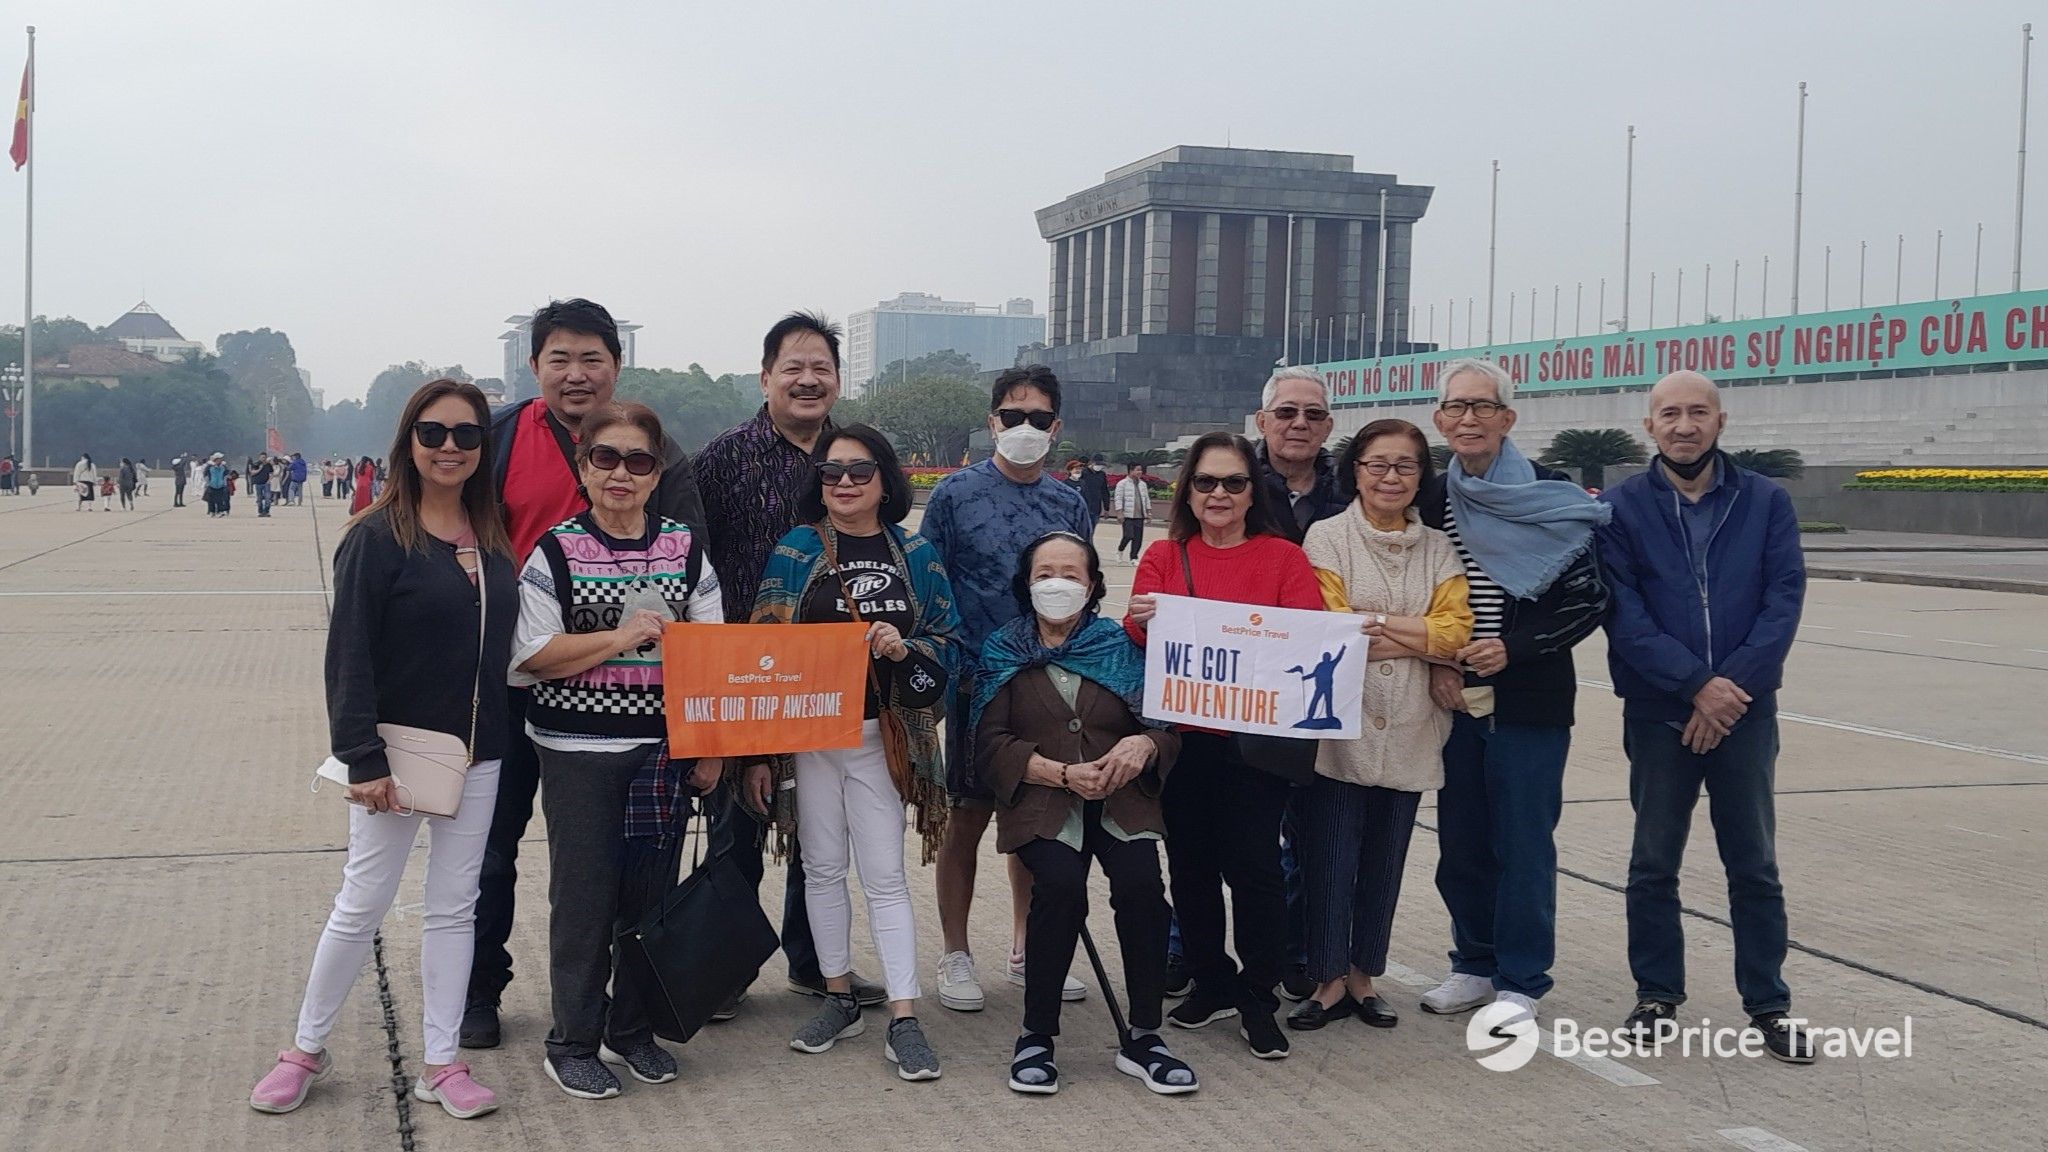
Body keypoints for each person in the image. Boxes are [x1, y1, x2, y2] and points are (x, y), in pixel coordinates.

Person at [249, 378, 516, 1121]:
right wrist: (362, 758)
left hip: (480, 752)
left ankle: (442, 1061)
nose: (450, 447)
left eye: (467, 434)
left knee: (454, 908)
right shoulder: (377, 537)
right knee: (362, 902)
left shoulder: (491, 534)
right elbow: (349, 656)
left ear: (483, 446)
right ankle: (305, 1048)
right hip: (396, 754)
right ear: (408, 443)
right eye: (433, 433)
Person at [462, 298, 707, 1051]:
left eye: (592, 358)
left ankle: (630, 1016)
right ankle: (479, 990)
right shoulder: (497, 440)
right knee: (492, 846)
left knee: (632, 873)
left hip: (630, 708)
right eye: (559, 359)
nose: (576, 373)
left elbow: (692, 569)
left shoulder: (658, 450)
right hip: (506, 681)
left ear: (616, 366)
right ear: (533, 365)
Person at [508, 401, 723, 1098]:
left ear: (657, 473)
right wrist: (622, 638)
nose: (621, 473)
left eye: (638, 460)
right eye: (606, 458)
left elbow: (711, 655)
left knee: (649, 899)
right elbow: (532, 654)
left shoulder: (685, 550)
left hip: (662, 752)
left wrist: (711, 750)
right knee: (584, 899)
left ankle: (631, 1031)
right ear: (584, 468)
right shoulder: (555, 551)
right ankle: (572, 1039)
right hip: (577, 750)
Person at [1596, 371, 1813, 1063]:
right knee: (1653, 861)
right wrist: (1695, 687)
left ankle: (1769, 1003)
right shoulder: (1621, 508)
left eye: (1697, 412)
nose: (1684, 425)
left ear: (1721, 421)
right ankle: (1657, 993)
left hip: (1745, 711)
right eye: (1669, 414)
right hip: (1659, 710)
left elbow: (1783, 599)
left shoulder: (1765, 501)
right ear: (1648, 426)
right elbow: (1623, 613)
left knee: (1753, 864)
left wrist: (1727, 693)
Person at [750, 423, 959, 1082]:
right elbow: (761, 642)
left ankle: (904, 1014)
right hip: (809, 738)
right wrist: (757, 751)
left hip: (881, 738)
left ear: (885, 480)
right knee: (820, 868)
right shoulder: (795, 550)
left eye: (859, 471)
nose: (844, 482)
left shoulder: (916, 553)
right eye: (831, 472)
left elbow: (948, 638)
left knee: (885, 875)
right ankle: (838, 995)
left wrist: (905, 649)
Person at [1416, 358, 1610, 1026]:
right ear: (1440, 420)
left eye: (1482, 406)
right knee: (1461, 842)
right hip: (1452, 698)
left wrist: (1514, 648)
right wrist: (1436, 664)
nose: (1468, 419)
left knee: (1523, 844)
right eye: (1456, 407)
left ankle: (1522, 979)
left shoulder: (1551, 494)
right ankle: (1473, 962)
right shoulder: (1432, 499)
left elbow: (1590, 599)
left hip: (1530, 701)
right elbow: (1417, 594)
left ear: (1508, 417)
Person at [690, 311, 870, 1018]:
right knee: (736, 826)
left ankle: (814, 962)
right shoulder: (723, 459)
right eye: (793, 367)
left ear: (838, 379)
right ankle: (723, 971)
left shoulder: (853, 456)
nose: (807, 379)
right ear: (765, 378)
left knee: (818, 830)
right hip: (741, 667)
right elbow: (691, 559)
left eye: (821, 367)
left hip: (825, 673)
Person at [1123, 431, 1325, 1059]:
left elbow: (1307, 635)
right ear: (1188, 490)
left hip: (1254, 743)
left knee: (1256, 870)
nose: (1219, 494)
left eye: (1234, 482)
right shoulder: (1164, 555)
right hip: (1183, 742)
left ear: (1252, 492)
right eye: (1206, 482)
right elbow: (1137, 633)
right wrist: (1143, 620)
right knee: (1191, 868)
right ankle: (1210, 981)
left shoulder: (1283, 559)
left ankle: (1258, 993)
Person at [975, 531, 1197, 1096]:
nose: (1058, 584)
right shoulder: (1002, 650)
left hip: (1122, 798)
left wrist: (1144, 745)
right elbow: (989, 744)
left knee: (1143, 887)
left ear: (1093, 584)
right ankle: (1036, 1035)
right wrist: (1057, 772)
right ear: (1026, 584)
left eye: (1071, 574)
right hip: (1044, 800)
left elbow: (1166, 728)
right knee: (1059, 886)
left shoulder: (1121, 646)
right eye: (1045, 573)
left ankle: (1145, 1034)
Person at [921, 364, 1097, 1014]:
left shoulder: (1068, 504)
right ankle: (956, 952)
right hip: (975, 682)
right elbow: (927, 585)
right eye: (1014, 416)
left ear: (1056, 427)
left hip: (1046, 683)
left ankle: (1029, 949)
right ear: (993, 422)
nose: (1026, 427)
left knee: (1035, 818)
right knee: (966, 815)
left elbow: (1083, 589)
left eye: (1039, 418)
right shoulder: (954, 495)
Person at [1290, 420, 1472, 1031]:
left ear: (1421, 477)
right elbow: (1332, 626)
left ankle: (1364, 976)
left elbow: (1457, 630)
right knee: (1329, 857)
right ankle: (1327, 979)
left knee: (1385, 860)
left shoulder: (1438, 549)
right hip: (1339, 726)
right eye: (1378, 465)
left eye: (1405, 466)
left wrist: (1380, 626)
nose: (1391, 477)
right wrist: (1421, 639)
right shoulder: (1327, 537)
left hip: (1414, 724)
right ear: (1356, 471)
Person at [1111, 461, 1150, 565]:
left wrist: (1148, 512)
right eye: (1137, 470)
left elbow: (1146, 499)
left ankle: (1133, 558)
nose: (1140, 472)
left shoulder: (1143, 484)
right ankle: (1120, 550)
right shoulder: (1122, 484)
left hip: (1139, 515)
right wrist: (1119, 512)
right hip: (1127, 515)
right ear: (1131, 471)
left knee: (1138, 538)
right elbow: (1118, 498)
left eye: (1141, 470)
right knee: (1128, 535)